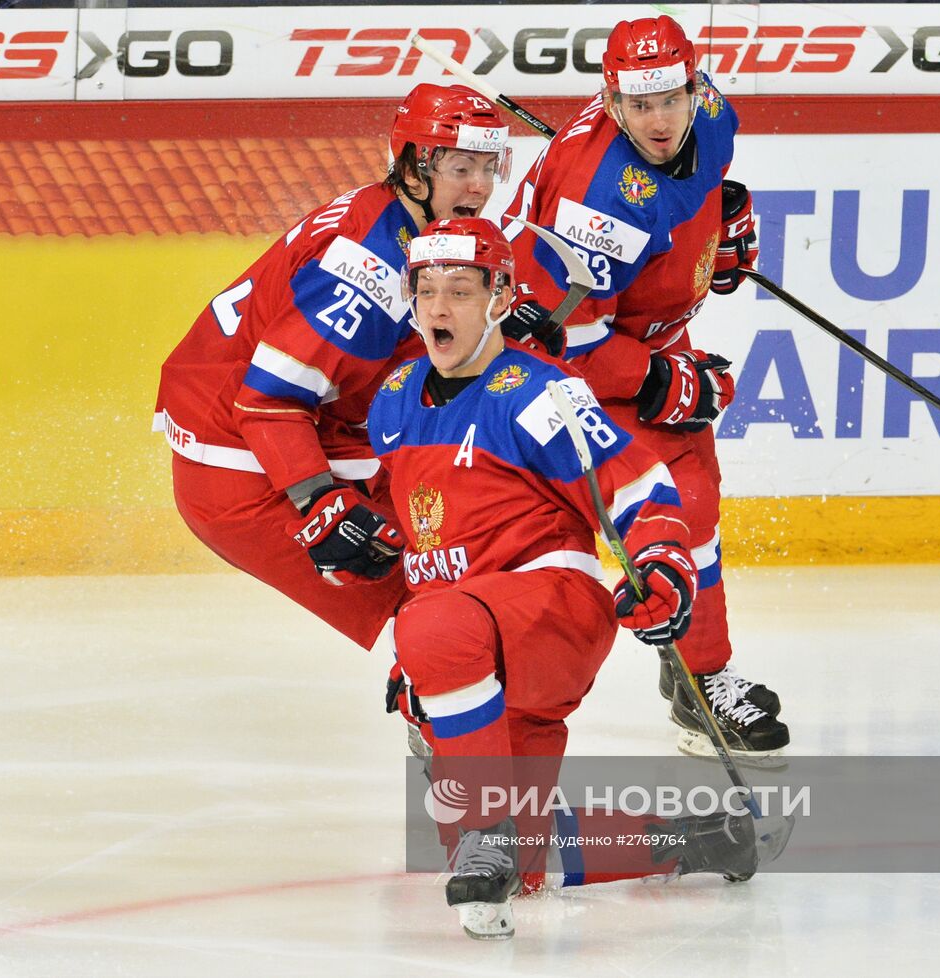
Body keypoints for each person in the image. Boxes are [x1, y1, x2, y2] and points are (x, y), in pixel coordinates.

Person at [368, 218, 756, 940]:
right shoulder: (392, 400)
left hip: (552, 611)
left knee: (432, 630)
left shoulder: (539, 391)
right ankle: (696, 839)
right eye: (426, 292)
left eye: (460, 290)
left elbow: (635, 482)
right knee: (514, 859)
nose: (439, 308)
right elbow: (420, 543)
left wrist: (664, 559)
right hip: (474, 643)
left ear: (501, 296)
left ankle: (487, 823)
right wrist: (416, 665)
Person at [502, 15, 789, 758]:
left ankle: (701, 679)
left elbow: (702, 182)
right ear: (610, 98)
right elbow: (566, 338)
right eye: (638, 105)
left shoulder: (714, 114)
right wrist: (665, 379)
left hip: (648, 331)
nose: (658, 121)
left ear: (695, 86)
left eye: (671, 98)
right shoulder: (595, 200)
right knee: (545, 547)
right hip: (555, 362)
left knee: (694, 504)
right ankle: (454, 700)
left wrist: (722, 218)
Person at [152, 84, 513, 651]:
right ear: (416, 167)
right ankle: (442, 709)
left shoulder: (405, 222)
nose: (481, 187)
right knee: (440, 570)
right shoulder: (371, 268)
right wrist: (321, 504)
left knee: (468, 524)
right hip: (241, 461)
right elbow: (268, 401)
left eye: (489, 168)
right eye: (463, 167)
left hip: (292, 430)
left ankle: (444, 692)